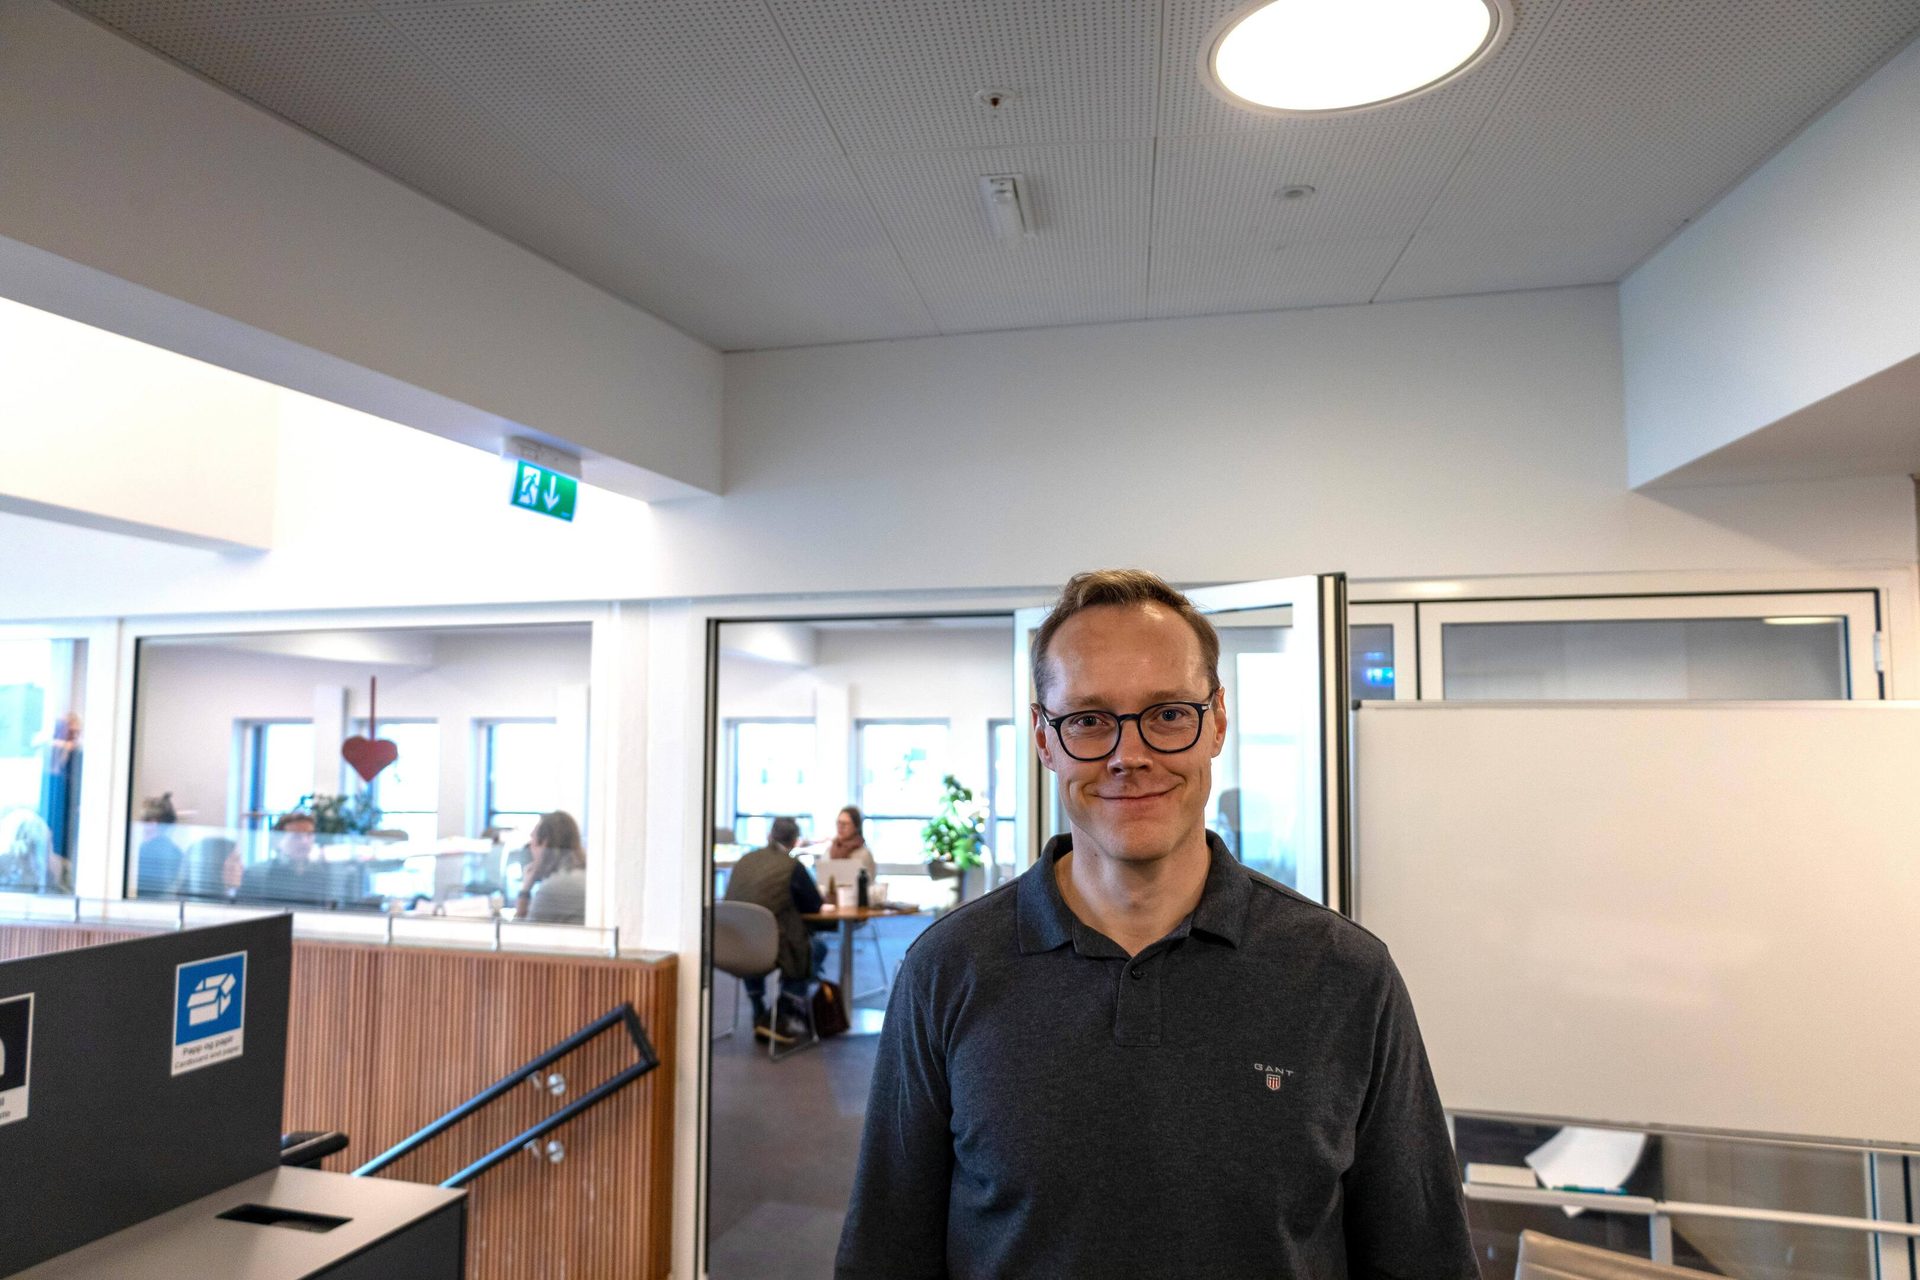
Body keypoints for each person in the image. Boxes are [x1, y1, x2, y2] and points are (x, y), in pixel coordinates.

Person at [837, 569, 1475, 1279]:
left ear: (1218, 722)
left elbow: (1424, 1259)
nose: (1128, 754)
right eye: (1088, 719)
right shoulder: (947, 971)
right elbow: (884, 1255)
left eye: (1168, 713)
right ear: (1045, 740)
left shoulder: (1346, 975)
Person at [722, 815, 826, 1045]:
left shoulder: (745, 860)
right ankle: (782, 1013)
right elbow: (814, 905)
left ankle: (758, 1008)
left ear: (770, 835)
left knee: (753, 939)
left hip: (733, 945)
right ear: (795, 840)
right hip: (768, 946)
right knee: (816, 949)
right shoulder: (791, 866)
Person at [239, 810, 328, 906]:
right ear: (278, 840)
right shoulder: (256, 874)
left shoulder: (318, 873)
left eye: (309, 835)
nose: (305, 841)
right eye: (296, 836)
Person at [516, 810, 587, 924]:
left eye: (533, 842)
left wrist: (525, 890)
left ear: (544, 843)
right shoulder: (582, 873)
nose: (531, 850)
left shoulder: (553, 888)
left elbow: (522, 934)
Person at [803, 804, 879, 893]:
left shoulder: (864, 854)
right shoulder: (829, 851)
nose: (840, 827)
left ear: (856, 827)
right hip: (830, 902)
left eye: (845, 824)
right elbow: (822, 882)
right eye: (838, 823)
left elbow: (869, 884)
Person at [134, 792, 184, 897]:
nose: (141, 826)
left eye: (143, 821)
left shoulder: (145, 851)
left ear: (153, 823)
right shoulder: (176, 852)